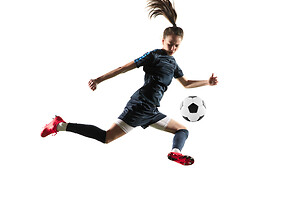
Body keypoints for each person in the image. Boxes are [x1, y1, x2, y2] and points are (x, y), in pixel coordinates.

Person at [41, 0, 218, 166]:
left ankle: (175, 153)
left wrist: (207, 82)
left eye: (176, 46)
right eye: (170, 44)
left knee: (182, 130)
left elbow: (186, 83)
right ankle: (60, 125)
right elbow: (123, 68)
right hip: (140, 106)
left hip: (151, 110)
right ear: (163, 41)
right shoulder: (153, 56)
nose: (173, 49)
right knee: (106, 137)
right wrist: (98, 80)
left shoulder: (173, 64)